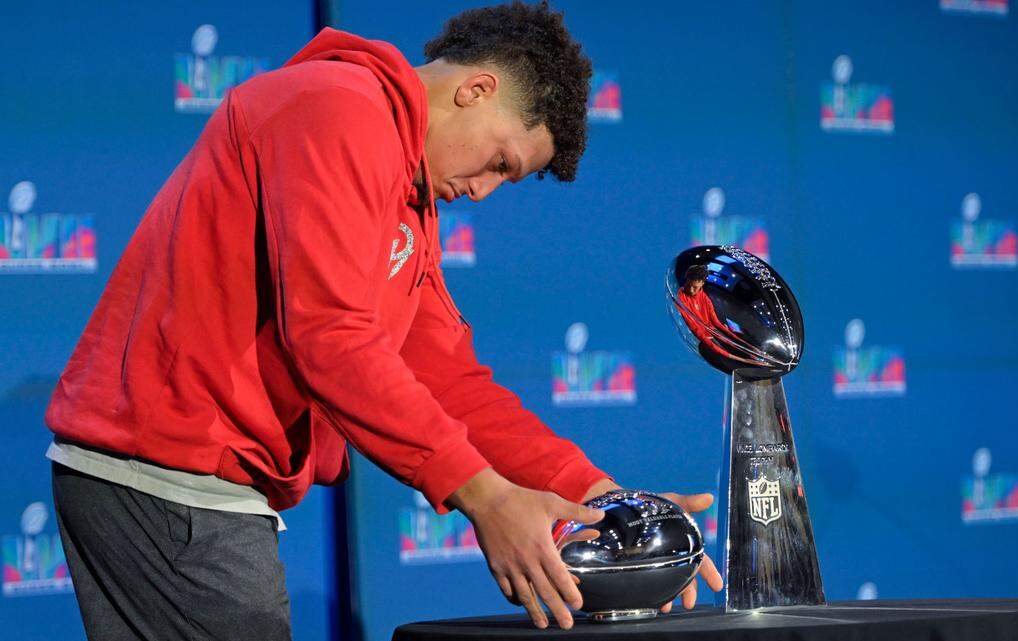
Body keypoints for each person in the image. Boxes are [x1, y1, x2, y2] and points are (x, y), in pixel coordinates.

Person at [43, 3, 721, 639]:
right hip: (166, 477)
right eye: (500, 163)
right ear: (476, 90)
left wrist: (601, 501)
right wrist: (487, 498)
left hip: (200, 486)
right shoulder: (338, 110)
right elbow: (330, 338)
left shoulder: (404, 190)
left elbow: (448, 380)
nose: (483, 190)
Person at [675, 264, 751, 365]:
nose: (691, 290)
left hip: (712, 333)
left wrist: (734, 339)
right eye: (688, 285)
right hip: (702, 340)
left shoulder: (705, 298)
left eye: (695, 287)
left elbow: (716, 322)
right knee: (729, 357)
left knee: (740, 344)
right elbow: (695, 329)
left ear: (702, 283)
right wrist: (738, 359)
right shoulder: (681, 297)